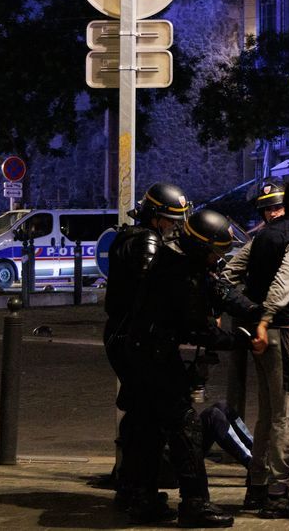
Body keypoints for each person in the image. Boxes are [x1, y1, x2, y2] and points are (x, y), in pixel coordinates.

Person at [118, 207, 247, 528]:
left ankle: (144, 498)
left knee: (147, 427)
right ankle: (195, 503)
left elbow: (219, 290)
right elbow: (198, 329)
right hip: (155, 358)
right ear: (202, 248)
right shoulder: (182, 274)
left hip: (141, 353)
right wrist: (237, 340)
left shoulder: (175, 258)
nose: (218, 259)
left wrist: (252, 308)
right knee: (184, 426)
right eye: (216, 252)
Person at [229, 174, 289, 519]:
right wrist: (265, 318)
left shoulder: (264, 235)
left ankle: (256, 489)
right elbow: (285, 284)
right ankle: (277, 493)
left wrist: (248, 313)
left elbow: (229, 274)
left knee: (267, 415)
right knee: (286, 414)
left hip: (263, 333)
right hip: (282, 332)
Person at [102, 182, 190, 523]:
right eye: (171, 220)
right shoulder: (148, 241)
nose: (174, 226)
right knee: (148, 418)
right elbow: (151, 286)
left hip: (121, 334)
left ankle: (130, 486)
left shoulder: (129, 236)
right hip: (135, 337)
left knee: (139, 412)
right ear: (156, 217)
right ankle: (141, 494)